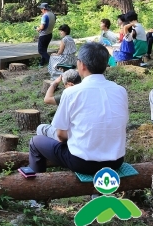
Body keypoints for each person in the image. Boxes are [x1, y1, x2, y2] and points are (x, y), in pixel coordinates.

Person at [28, 42, 128, 174]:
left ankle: (37, 190)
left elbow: (61, 136)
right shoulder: (120, 90)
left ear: (82, 65)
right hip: (116, 161)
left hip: (83, 163)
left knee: (36, 142)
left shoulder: (71, 93)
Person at [37, 69, 82, 139]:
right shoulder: (86, 92)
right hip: (82, 132)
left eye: (65, 84)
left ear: (70, 84)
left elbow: (47, 99)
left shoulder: (68, 95)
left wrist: (54, 83)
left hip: (69, 135)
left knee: (41, 128)